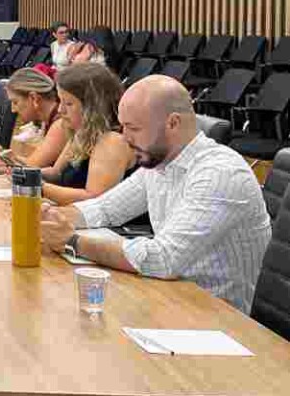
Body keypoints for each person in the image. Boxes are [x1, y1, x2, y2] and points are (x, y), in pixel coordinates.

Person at [40, 75, 271, 313]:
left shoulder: (220, 173)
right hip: (170, 297)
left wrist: (72, 241)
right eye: (123, 127)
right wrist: (50, 218)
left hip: (216, 316)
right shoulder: (160, 163)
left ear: (173, 123)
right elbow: (104, 209)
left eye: (134, 128)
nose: (125, 138)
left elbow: (163, 258)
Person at [38, 63, 135, 205]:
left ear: (93, 107)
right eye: (60, 101)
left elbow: (94, 199)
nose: (60, 110)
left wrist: (36, 187)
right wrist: (20, 172)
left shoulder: (113, 141)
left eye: (69, 104)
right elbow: (56, 173)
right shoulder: (83, 131)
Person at [0, 67, 70, 170]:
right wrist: (1, 153)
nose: (13, 110)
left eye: (15, 102)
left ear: (34, 98)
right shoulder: (49, 121)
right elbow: (30, 163)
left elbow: (30, 168)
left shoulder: (60, 125)